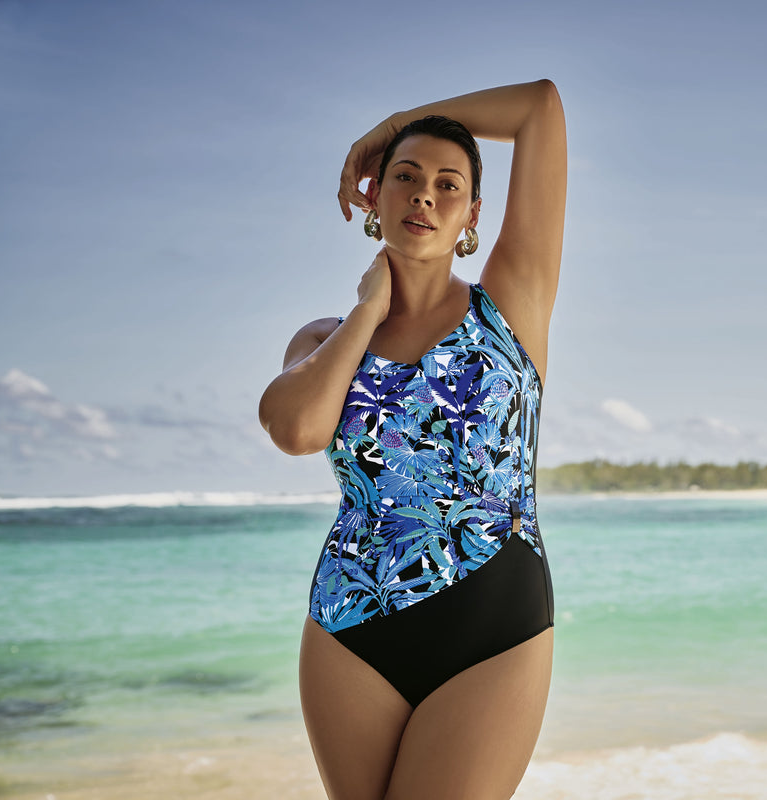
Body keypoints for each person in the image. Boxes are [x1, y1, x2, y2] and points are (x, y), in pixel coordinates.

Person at [258, 80, 566, 800]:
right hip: (350, 625)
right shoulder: (324, 339)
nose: (423, 195)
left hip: (494, 619)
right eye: (404, 176)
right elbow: (297, 430)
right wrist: (368, 312)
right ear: (375, 198)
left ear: (471, 216)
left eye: (445, 184)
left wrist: (395, 127)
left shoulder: (513, 302)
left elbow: (540, 109)